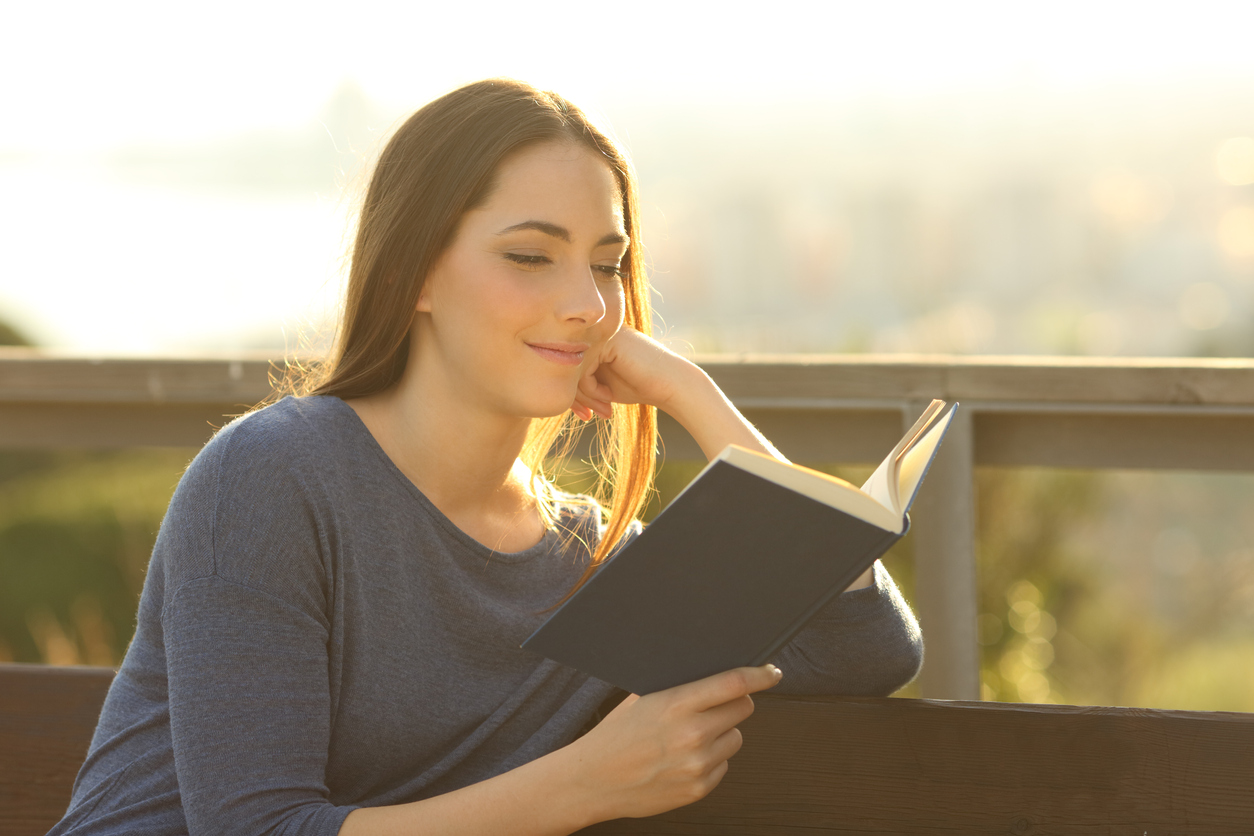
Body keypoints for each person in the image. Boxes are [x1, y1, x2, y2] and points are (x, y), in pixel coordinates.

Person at [51, 79, 923, 836]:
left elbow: (867, 643)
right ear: (412, 275)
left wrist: (696, 398)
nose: (586, 304)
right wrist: (586, 785)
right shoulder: (272, 479)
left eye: (609, 265)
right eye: (529, 256)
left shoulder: (588, 559)